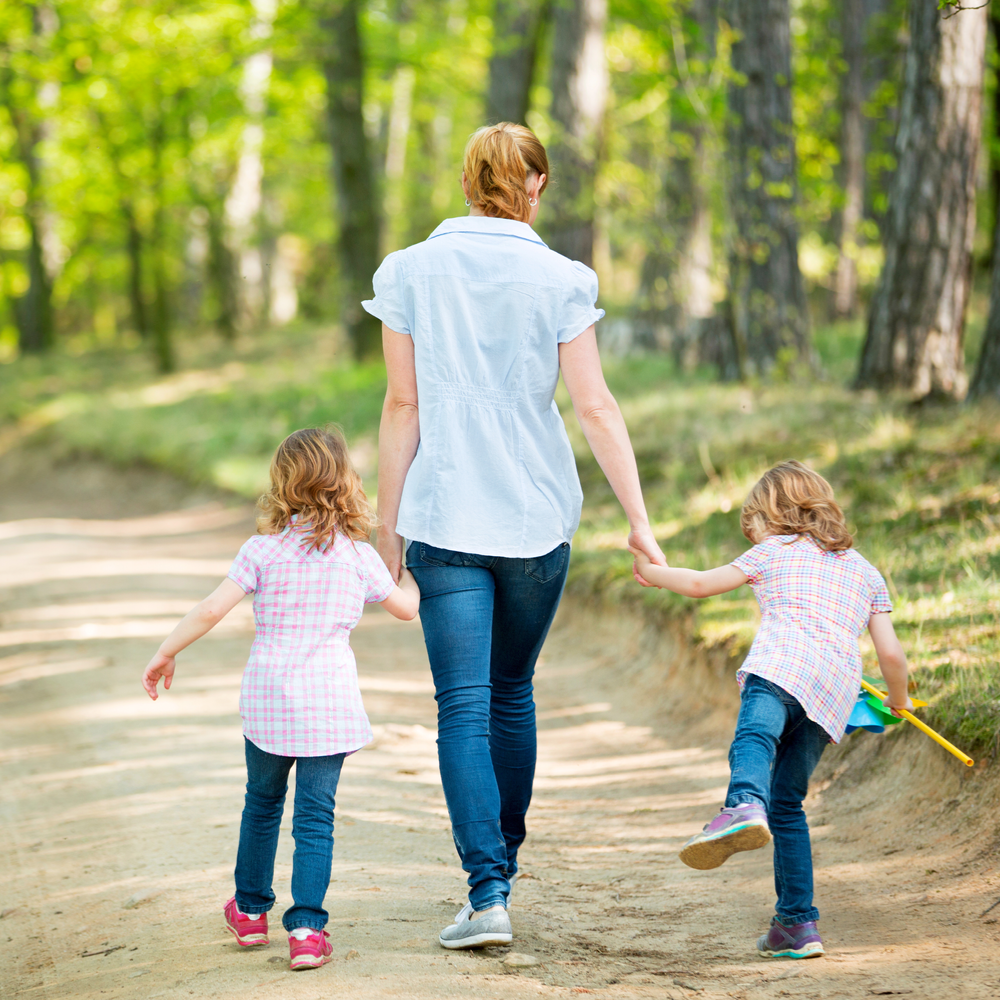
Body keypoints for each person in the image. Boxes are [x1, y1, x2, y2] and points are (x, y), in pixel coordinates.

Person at [363, 122, 666, 949]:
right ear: (535, 186)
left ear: (467, 183)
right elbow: (596, 406)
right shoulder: (563, 279)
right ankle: (506, 864)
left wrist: (387, 533)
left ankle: (486, 889)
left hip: (446, 513)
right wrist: (639, 523)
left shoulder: (409, 272)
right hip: (535, 518)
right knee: (510, 693)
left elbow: (403, 406)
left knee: (461, 707)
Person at [140, 427, 420, 972]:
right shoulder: (359, 559)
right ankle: (309, 931)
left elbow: (208, 611)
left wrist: (165, 652)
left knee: (262, 804)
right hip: (330, 708)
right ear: (347, 485)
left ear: (281, 486)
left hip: (269, 701)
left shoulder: (261, 551)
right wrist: (407, 571)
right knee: (316, 818)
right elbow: (406, 608)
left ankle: (249, 914)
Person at [631, 460, 912, 960]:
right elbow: (890, 654)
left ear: (774, 514)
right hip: (832, 696)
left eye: (752, 522)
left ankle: (741, 804)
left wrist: (652, 572)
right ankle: (797, 926)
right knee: (788, 806)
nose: (751, 532)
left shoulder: (774, 549)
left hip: (781, 668)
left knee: (754, 739)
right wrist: (898, 699)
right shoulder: (867, 571)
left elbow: (698, 584)